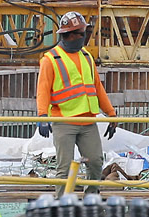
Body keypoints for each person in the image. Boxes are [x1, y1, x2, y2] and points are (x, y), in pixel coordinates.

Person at [37, 11, 118, 183]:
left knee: (96, 163)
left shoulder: (87, 57)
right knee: (64, 169)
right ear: (69, 35)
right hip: (64, 121)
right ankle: (62, 206)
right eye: (81, 33)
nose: (84, 37)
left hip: (88, 123)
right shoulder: (50, 59)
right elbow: (43, 89)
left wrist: (111, 114)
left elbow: (98, 88)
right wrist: (42, 116)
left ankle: (91, 200)